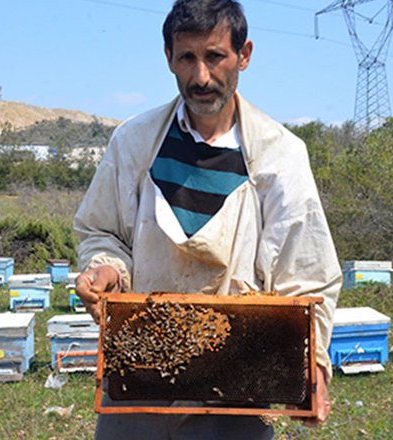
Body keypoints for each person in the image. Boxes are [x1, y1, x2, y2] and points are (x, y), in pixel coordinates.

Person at [73, 1, 342, 438]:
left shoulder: (280, 155)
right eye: (187, 58)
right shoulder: (135, 142)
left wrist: (314, 366)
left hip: (235, 393)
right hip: (138, 385)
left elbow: (307, 274)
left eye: (215, 56)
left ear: (244, 55)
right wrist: (107, 269)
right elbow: (102, 231)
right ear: (168, 59)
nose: (201, 77)